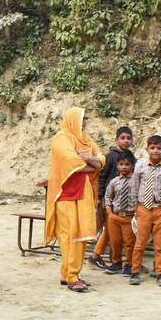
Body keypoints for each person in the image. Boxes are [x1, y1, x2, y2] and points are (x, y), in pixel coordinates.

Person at [44, 107, 104, 291]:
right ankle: (72, 277)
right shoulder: (61, 138)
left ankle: (69, 273)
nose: (85, 122)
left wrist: (89, 160)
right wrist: (91, 164)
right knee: (69, 234)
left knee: (82, 233)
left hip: (84, 193)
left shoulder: (85, 139)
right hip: (65, 194)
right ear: (72, 119)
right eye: (82, 118)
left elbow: (102, 159)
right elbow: (71, 160)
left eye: (86, 118)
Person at [128, 135, 161, 286]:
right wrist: (136, 206)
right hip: (144, 208)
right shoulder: (140, 165)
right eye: (152, 148)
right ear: (147, 149)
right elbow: (134, 186)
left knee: (160, 243)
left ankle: (160, 273)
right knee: (140, 241)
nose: (155, 151)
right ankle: (135, 272)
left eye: (159, 148)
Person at [89, 126, 135, 270]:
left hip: (125, 201)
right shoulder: (110, 155)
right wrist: (100, 197)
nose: (126, 141)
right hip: (110, 199)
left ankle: (116, 260)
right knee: (109, 229)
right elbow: (102, 177)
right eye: (123, 138)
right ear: (116, 139)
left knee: (113, 231)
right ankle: (96, 256)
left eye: (128, 138)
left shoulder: (131, 156)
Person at [101, 154, 137, 277]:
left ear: (132, 166)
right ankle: (116, 262)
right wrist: (109, 212)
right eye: (121, 164)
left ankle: (129, 264)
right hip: (114, 216)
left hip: (129, 217)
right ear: (117, 166)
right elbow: (108, 197)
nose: (124, 167)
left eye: (127, 164)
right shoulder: (114, 182)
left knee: (129, 242)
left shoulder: (136, 180)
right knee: (114, 241)